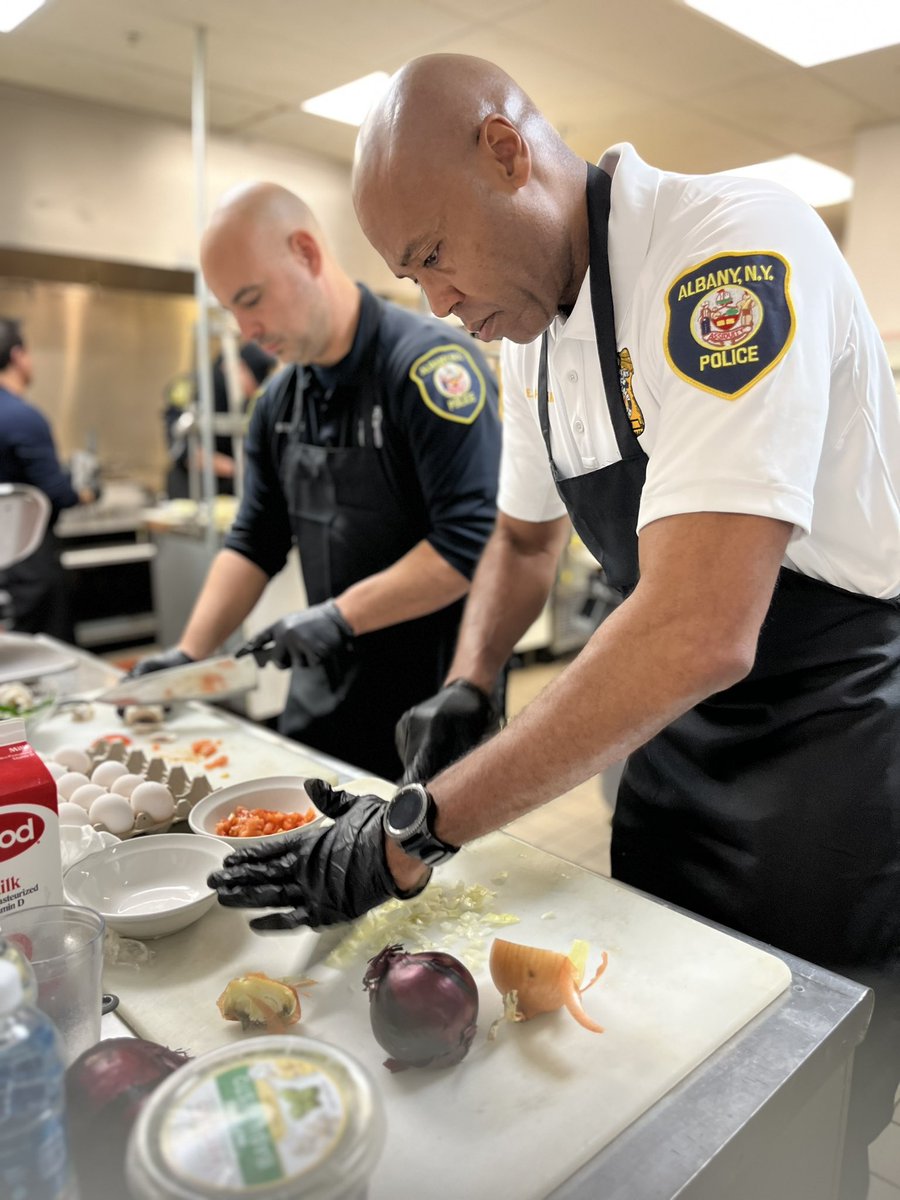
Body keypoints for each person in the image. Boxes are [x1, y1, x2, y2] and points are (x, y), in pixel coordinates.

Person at [207, 55, 900, 1199]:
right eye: (406, 274)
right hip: (675, 758)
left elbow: (695, 623)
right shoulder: (528, 335)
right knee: (659, 1070)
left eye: (431, 256)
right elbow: (526, 545)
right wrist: (471, 683)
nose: (432, 303)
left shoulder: (727, 252)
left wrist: (415, 829)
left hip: (824, 758)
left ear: (506, 152)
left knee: (800, 1111)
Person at [132, 182, 501, 780]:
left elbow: (469, 544)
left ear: (306, 253)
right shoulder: (278, 402)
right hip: (322, 707)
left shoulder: (428, 369)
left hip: (431, 709)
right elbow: (254, 539)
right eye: (232, 310)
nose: (247, 329)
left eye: (252, 299)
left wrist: (338, 616)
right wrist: (189, 655)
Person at [0, 318, 99, 642]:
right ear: (18, 356)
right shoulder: (23, 417)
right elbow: (57, 493)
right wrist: (88, 492)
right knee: (48, 657)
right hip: (29, 562)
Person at [163, 342, 276, 499]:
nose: (257, 389)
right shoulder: (191, 388)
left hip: (230, 490)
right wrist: (239, 470)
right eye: (256, 378)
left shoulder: (244, 400)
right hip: (191, 489)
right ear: (239, 367)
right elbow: (185, 450)